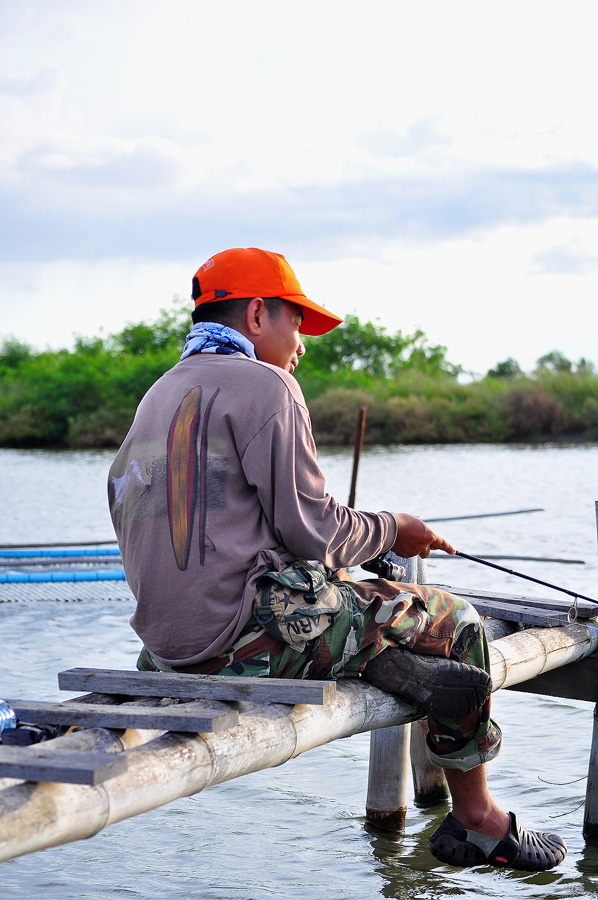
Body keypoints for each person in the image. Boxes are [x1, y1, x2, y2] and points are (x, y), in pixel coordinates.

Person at [108, 246, 566, 872]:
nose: (302, 345)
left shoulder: (158, 395)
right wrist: (392, 529)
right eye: (297, 325)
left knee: (365, 612)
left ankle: (397, 684)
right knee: (455, 622)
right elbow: (316, 532)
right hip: (243, 641)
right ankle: (478, 820)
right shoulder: (268, 387)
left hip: (166, 647)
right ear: (259, 315)